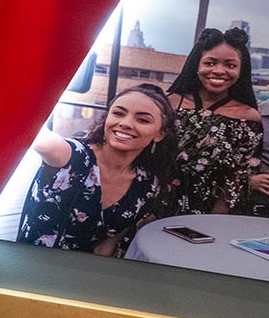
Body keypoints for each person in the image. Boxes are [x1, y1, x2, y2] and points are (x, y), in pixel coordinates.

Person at [17, 84, 175, 255]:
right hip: (28, 265)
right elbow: (36, 135)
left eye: (143, 120)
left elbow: (107, 245)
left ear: (160, 134)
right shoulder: (73, 154)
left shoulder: (148, 185)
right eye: (118, 113)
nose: (125, 123)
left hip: (82, 274)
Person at [164, 26, 263, 216]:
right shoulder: (168, 104)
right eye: (209, 63)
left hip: (208, 210)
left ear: (241, 70)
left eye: (230, 65)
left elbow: (238, 178)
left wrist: (213, 222)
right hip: (154, 202)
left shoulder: (248, 116)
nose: (219, 71)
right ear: (196, 65)